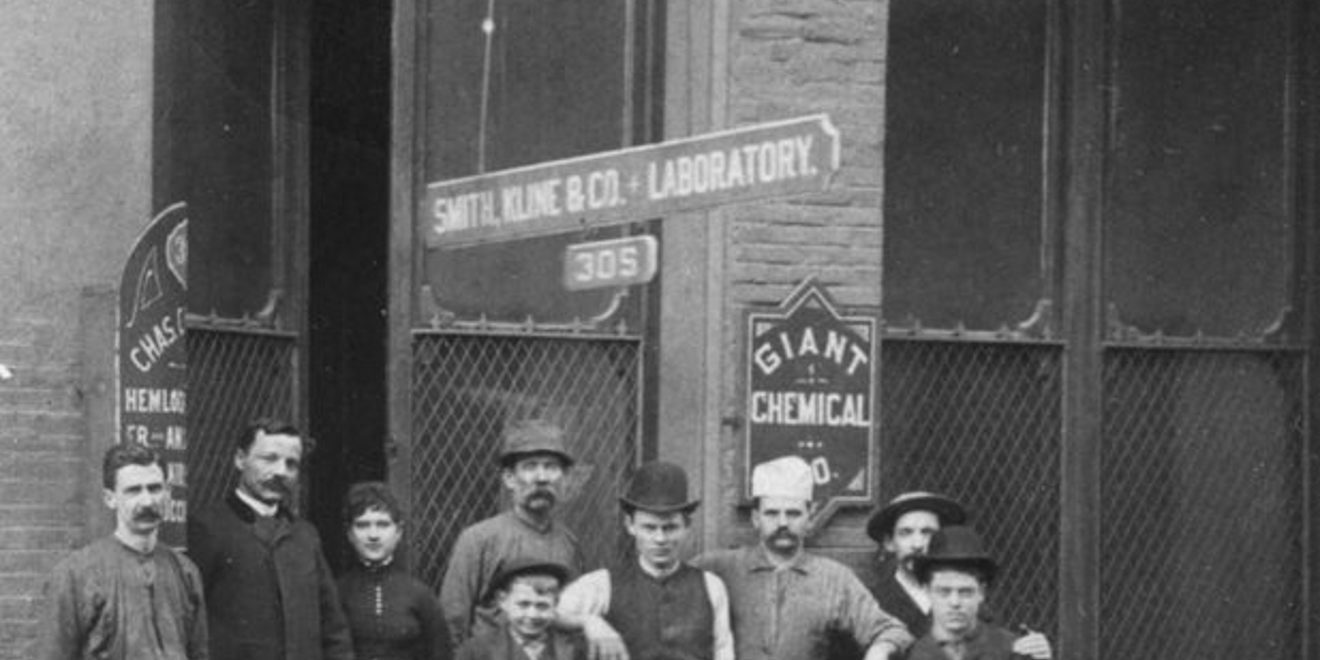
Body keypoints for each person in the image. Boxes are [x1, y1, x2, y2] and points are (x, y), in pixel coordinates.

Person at [693, 455, 913, 660]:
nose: (782, 523)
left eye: (793, 513)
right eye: (772, 513)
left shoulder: (833, 579)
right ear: (755, 518)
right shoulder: (719, 567)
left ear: (810, 517)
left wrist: (879, 651)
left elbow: (892, 631)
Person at [187, 417, 354, 660]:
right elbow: (186, 621)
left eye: (291, 464)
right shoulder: (207, 528)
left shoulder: (305, 536)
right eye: (269, 459)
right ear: (240, 459)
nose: (281, 472)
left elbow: (333, 629)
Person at [36, 443, 208, 660]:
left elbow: (199, 654)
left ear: (167, 493)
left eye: (155, 488)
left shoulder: (185, 571)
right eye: (133, 490)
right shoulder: (75, 575)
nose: (147, 501)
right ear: (110, 498)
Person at [558, 461, 734, 660]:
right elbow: (550, 614)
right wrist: (588, 622)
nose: (660, 539)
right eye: (649, 528)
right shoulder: (602, 584)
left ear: (687, 527)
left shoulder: (711, 586)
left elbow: (724, 652)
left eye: (670, 528)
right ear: (630, 525)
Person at [440, 419, 585, 645]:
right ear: (509, 478)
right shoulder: (479, 539)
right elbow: (452, 623)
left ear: (564, 477)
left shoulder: (568, 543)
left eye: (551, 466)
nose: (542, 477)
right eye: (530, 466)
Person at [338, 482, 453, 660]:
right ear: (350, 534)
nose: (373, 535)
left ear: (398, 532)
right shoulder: (336, 593)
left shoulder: (420, 596)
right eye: (363, 525)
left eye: (383, 525)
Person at [906, 526, 1052, 660]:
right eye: (944, 592)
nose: (955, 602)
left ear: (981, 592)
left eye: (965, 592)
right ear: (927, 591)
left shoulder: (1011, 649)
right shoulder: (911, 654)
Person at [864, 491, 968, 636]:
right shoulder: (871, 604)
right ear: (889, 543)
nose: (917, 545)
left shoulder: (963, 600)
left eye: (927, 532)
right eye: (906, 533)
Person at [455, 559, 585, 660]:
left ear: (555, 604)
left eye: (542, 606)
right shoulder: (476, 652)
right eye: (523, 604)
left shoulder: (574, 651)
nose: (533, 615)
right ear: (503, 601)